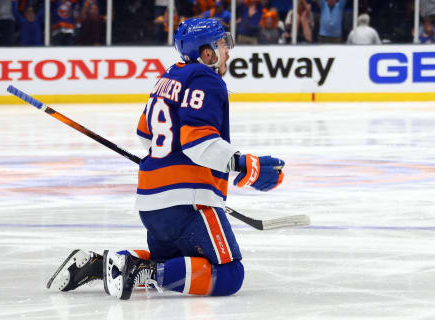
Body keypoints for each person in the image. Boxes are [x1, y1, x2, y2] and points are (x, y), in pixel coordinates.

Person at [46, 18, 285, 300]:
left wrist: (167, 160)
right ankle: (142, 270)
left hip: (151, 203)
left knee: (177, 262)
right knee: (229, 274)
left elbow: (144, 134)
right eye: (222, 44)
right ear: (206, 53)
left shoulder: (170, 76)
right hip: (189, 203)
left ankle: (101, 264)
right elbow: (199, 143)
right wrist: (244, 164)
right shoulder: (207, 80)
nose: (228, 50)